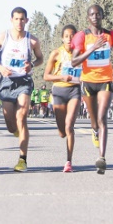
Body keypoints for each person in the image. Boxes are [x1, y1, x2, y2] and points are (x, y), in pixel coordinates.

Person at [0, 7, 43, 172]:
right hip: (7, 82)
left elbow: (40, 59)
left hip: (24, 81)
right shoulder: (3, 37)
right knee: (11, 124)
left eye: (22, 19)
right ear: (11, 20)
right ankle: (15, 130)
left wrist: (31, 64)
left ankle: (22, 160)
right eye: (16, 19)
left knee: (22, 117)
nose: (19, 22)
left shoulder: (32, 41)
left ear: (27, 20)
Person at [71, 5, 113, 174]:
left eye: (98, 14)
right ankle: (94, 130)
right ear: (88, 18)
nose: (95, 16)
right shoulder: (82, 36)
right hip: (88, 82)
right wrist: (92, 48)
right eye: (92, 14)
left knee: (102, 118)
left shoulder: (109, 34)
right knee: (94, 121)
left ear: (102, 16)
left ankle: (102, 158)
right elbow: (74, 61)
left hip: (105, 80)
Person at [43, 24, 81, 172]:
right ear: (62, 38)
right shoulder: (56, 54)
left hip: (74, 91)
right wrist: (62, 77)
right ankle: (63, 132)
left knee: (69, 126)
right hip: (59, 91)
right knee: (61, 132)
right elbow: (46, 76)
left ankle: (68, 162)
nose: (69, 39)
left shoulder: (80, 53)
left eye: (72, 36)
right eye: (66, 36)